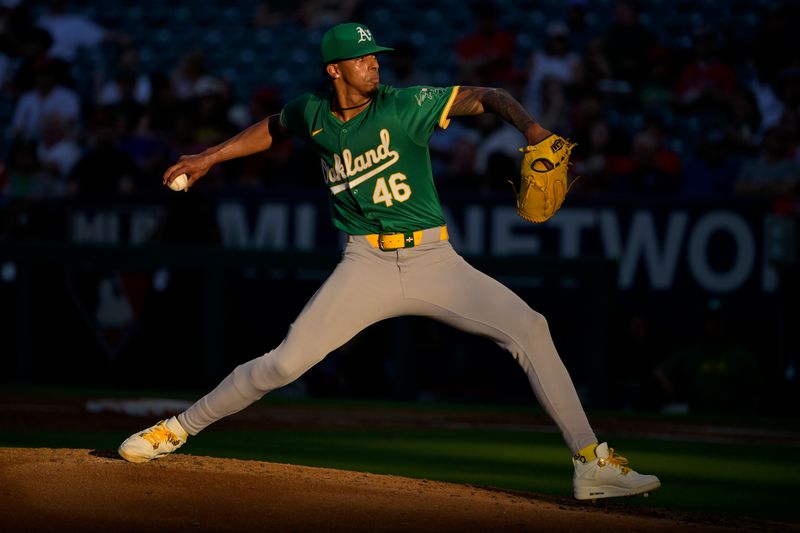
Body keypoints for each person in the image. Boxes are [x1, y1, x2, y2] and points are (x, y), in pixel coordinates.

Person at [118, 22, 660, 501]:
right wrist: (209, 157)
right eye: (362, 57)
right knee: (284, 364)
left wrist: (534, 131)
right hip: (365, 265)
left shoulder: (405, 104)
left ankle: (592, 464)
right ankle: (177, 429)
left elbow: (488, 95)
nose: (374, 63)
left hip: (434, 260)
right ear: (335, 69)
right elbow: (273, 127)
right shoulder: (312, 112)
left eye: (376, 55)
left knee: (530, 328)